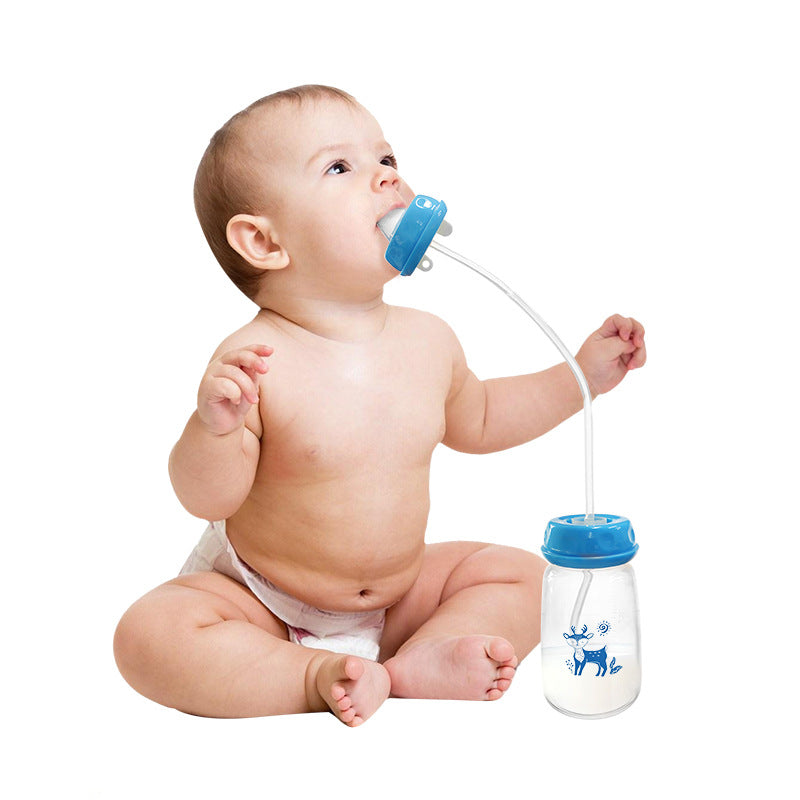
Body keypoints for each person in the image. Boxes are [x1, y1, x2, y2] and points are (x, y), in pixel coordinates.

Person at [113, 85, 646, 726]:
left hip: (398, 598)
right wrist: (215, 428)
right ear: (263, 242)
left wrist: (581, 375)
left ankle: (419, 659)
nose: (387, 177)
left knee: (522, 575)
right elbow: (208, 499)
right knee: (150, 633)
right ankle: (311, 675)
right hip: (262, 601)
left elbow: (481, 418)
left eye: (387, 158)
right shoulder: (256, 359)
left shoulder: (428, 340)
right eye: (341, 167)